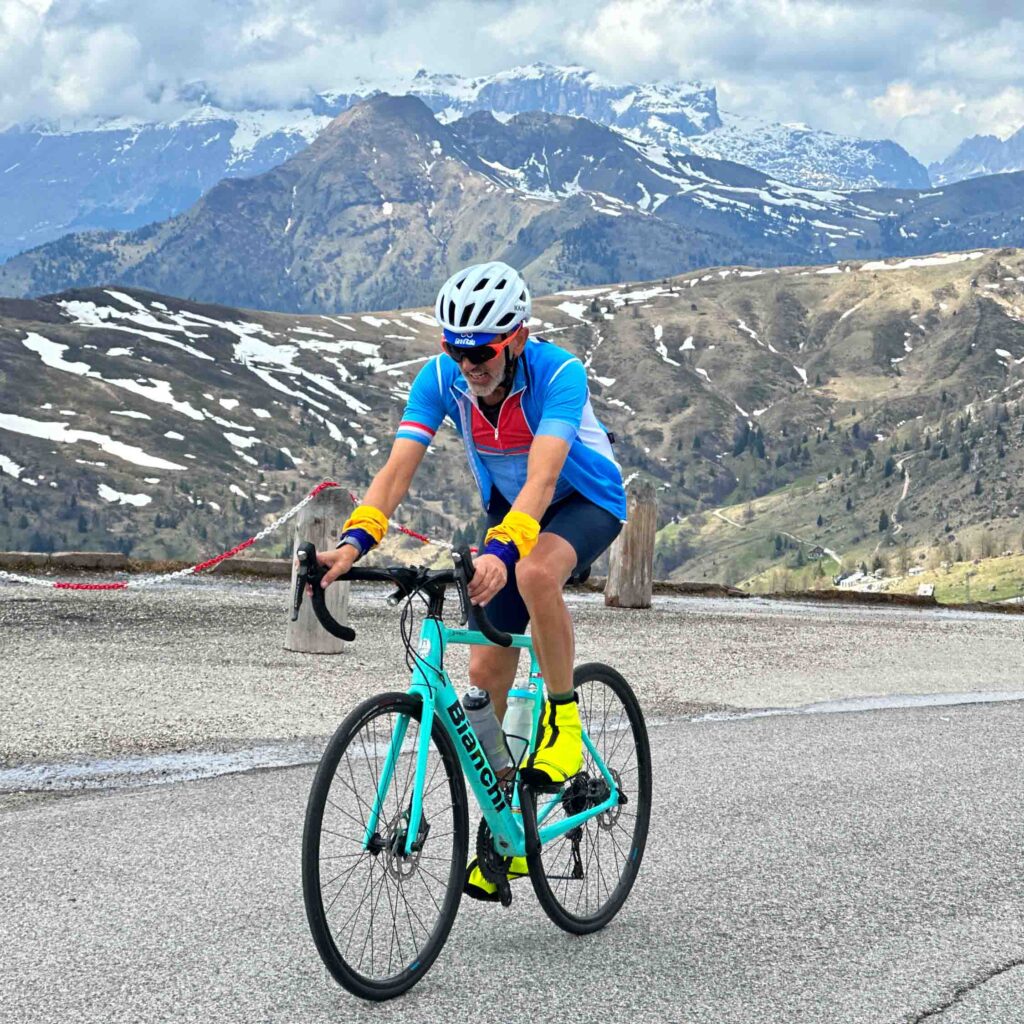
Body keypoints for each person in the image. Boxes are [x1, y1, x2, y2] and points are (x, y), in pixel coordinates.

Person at [316, 261, 627, 900]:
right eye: (454, 349)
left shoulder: (558, 374)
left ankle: (564, 727)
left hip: (584, 501)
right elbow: (397, 470)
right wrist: (353, 541)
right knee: (484, 675)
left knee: (538, 570)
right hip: (510, 513)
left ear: (516, 337)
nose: (468, 364)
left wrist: (503, 552)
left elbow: (543, 481)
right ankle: (511, 820)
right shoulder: (440, 381)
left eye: (480, 351)